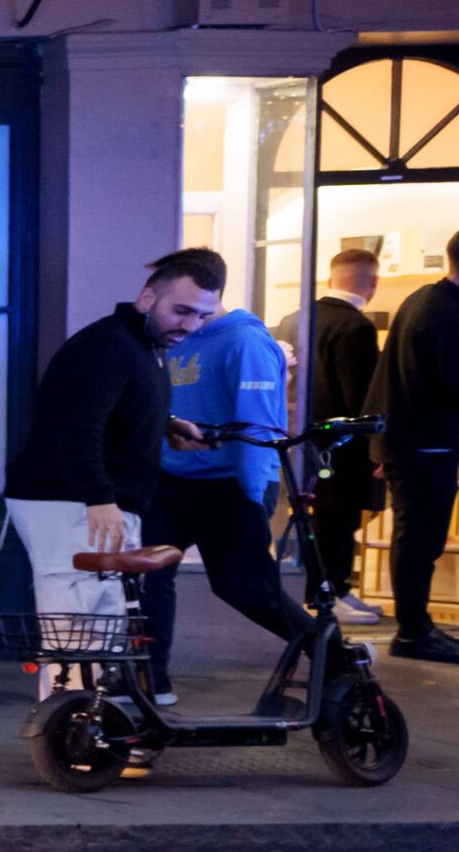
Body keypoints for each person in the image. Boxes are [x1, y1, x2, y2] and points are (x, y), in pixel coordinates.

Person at [9, 250, 223, 617]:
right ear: (147, 298)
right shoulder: (108, 346)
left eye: (203, 316)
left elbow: (109, 408)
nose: (190, 326)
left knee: (101, 632)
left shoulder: (142, 346)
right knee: (80, 631)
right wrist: (98, 498)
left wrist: (164, 424)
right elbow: (75, 427)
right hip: (70, 502)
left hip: (89, 501)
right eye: (182, 311)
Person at [143, 304, 311, 709]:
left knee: (243, 587)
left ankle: (334, 652)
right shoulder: (173, 341)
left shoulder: (245, 341)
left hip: (231, 482)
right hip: (173, 479)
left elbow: (257, 424)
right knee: (149, 575)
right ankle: (153, 682)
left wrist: (253, 496)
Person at [369, 234, 459, 663]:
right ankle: (413, 631)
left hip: (410, 440)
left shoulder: (424, 298)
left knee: (417, 536)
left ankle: (414, 626)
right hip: (426, 443)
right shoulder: (446, 313)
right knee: (421, 538)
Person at [289, 247, 382, 623]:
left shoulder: (294, 318)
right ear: (372, 283)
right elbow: (361, 398)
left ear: (330, 279)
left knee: (314, 520)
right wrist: (377, 450)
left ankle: (329, 589)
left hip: (299, 439)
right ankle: (332, 592)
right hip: (342, 446)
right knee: (338, 521)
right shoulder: (356, 327)